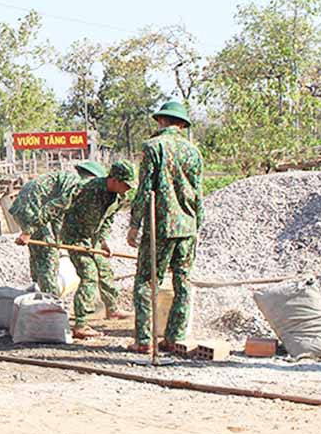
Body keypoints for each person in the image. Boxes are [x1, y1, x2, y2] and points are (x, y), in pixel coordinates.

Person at [127, 101, 204, 354]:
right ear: (181, 125)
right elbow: (198, 193)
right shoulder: (193, 152)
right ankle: (174, 337)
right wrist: (197, 226)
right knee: (182, 282)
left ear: (160, 121)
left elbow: (144, 189)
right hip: (187, 226)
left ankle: (144, 340)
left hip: (160, 226)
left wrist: (134, 225)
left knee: (146, 282)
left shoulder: (152, 147)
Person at [60, 160, 135, 339]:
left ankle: (113, 309)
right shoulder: (89, 188)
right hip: (75, 237)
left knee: (105, 270)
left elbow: (108, 219)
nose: (128, 189)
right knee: (89, 275)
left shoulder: (119, 197)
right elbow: (61, 205)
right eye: (125, 184)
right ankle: (81, 324)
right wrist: (29, 231)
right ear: (114, 180)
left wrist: (102, 241)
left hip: (92, 239)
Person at [12, 160, 107, 293]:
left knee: (39, 251)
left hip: (27, 207)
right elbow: (58, 211)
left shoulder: (68, 179)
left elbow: (58, 214)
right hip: (32, 209)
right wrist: (57, 240)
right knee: (49, 252)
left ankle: (35, 293)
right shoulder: (76, 184)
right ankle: (50, 301)